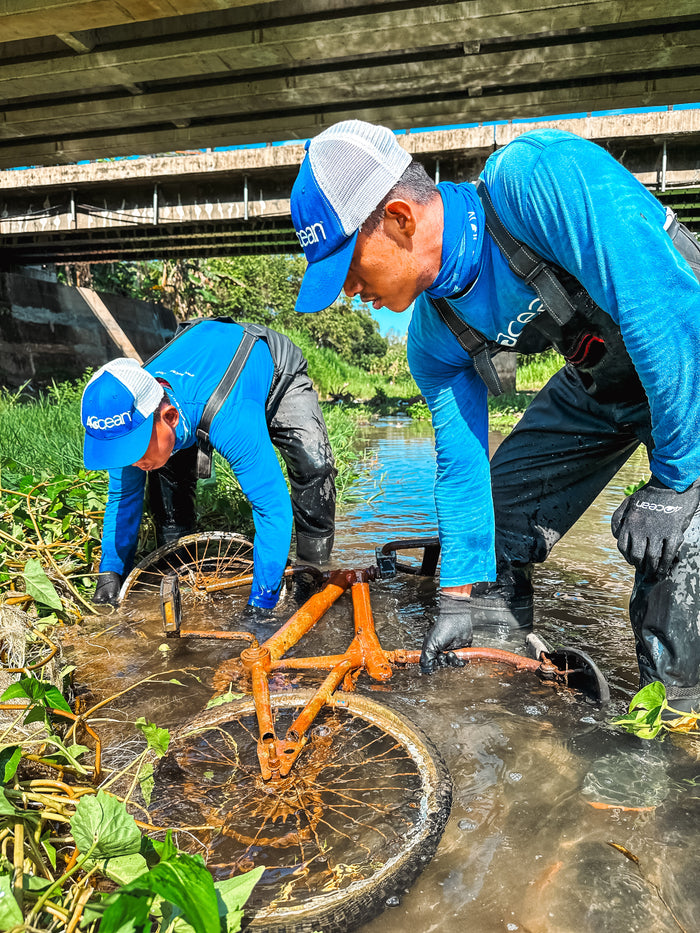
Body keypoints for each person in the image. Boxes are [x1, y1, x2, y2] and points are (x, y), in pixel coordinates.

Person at [289, 119, 700, 710]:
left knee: (676, 546)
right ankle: (503, 694)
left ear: (401, 220)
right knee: (499, 516)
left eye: (348, 268)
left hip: (684, 351)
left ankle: (676, 731)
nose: (349, 291)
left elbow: (663, 305)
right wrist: (457, 597)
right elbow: (462, 468)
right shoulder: (434, 340)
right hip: (600, 380)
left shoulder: (535, 178)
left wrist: (674, 482)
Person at [81, 319, 336, 610]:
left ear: (170, 417)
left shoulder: (230, 418)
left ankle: (312, 569)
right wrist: (110, 573)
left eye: (137, 450)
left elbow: (272, 508)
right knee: (167, 488)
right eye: (124, 452)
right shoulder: (127, 412)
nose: (133, 462)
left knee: (315, 466)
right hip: (197, 374)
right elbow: (123, 497)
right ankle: (178, 570)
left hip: (270, 367)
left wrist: (261, 605)